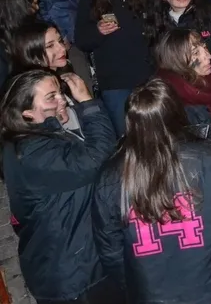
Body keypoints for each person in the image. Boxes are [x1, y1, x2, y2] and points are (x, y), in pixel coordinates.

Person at [92, 79, 211, 304]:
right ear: (177, 114)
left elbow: (111, 253)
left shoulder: (108, 177)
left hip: (154, 293)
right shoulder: (210, 157)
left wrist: (136, 284)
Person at [1, 69, 121, 304]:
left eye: (60, 93)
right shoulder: (34, 152)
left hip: (73, 263)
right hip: (73, 274)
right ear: (27, 113)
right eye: (51, 97)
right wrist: (88, 103)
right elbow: (98, 158)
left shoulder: (32, 141)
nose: (63, 100)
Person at [74, 0, 152, 135]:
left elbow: (156, 28)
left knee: (153, 132)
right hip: (115, 82)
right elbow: (81, 41)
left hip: (147, 76)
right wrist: (98, 31)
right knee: (126, 136)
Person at [154, 28, 211, 148]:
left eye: (204, 47)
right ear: (177, 61)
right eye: (196, 53)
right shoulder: (182, 107)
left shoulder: (206, 82)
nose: (209, 56)